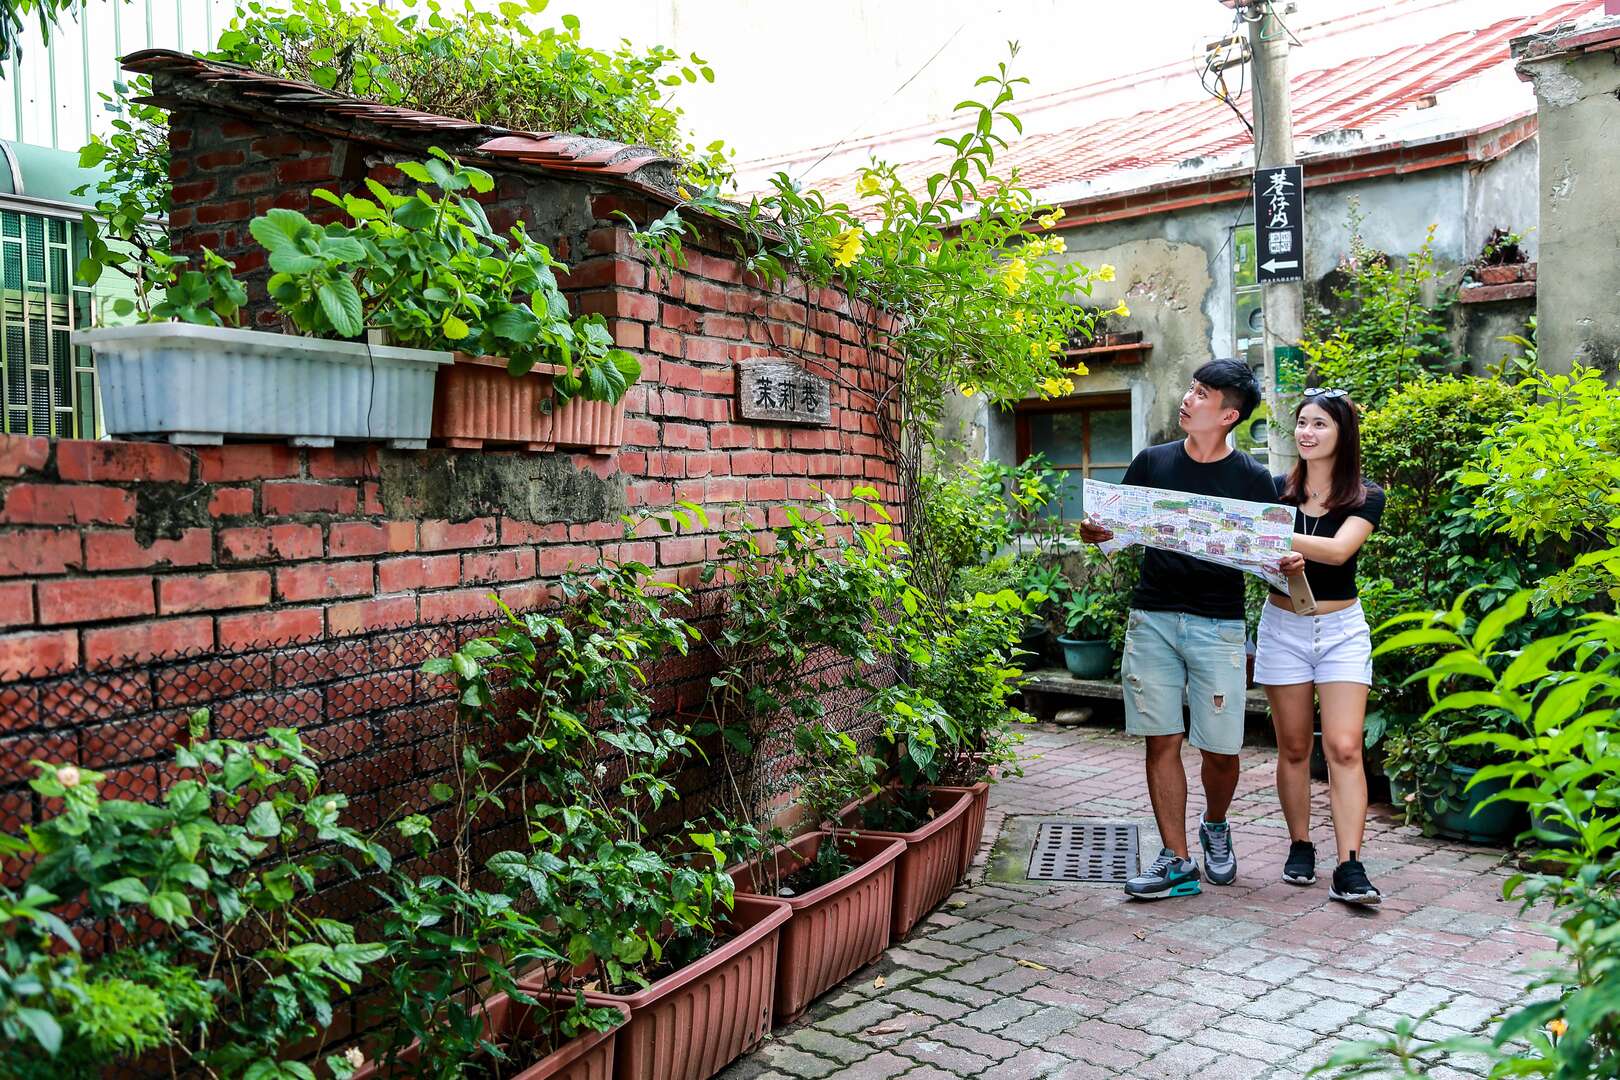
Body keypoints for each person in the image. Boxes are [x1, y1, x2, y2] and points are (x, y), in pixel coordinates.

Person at [1080, 359, 1274, 900]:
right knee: (1161, 738)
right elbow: (1112, 534)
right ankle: (1177, 860)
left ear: (1229, 414)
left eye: (1203, 393)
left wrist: (1284, 563)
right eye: (1191, 388)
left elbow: (1266, 555)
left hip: (1219, 624)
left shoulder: (1253, 480)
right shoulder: (1153, 462)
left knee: (1221, 748)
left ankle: (1215, 823)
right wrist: (1095, 532)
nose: (1188, 399)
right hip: (1153, 616)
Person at [1255, 387, 1385, 905]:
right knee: (1293, 747)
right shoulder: (1274, 490)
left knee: (1345, 748)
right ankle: (1300, 844)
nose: (1306, 434)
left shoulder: (1365, 496)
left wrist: (1271, 536)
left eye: (1319, 425)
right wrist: (1269, 553)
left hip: (1341, 631)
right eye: (1302, 424)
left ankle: (1350, 865)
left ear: (1342, 434)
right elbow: (1249, 551)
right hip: (1283, 627)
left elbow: (1336, 551)